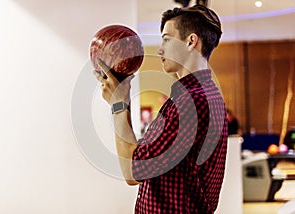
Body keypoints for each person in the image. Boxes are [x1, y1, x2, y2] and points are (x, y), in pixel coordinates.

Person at [94, 4, 228, 214]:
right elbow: (142, 157)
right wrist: (123, 99)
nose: (159, 49)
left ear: (191, 41)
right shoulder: (204, 96)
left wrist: (118, 105)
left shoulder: (190, 103)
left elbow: (132, 170)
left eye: (166, 39)